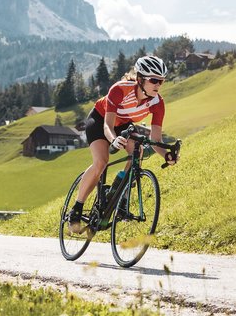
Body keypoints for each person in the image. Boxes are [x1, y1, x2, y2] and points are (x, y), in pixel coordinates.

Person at [67, 55, 179, 232]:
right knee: (101, 162)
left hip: (124, 124)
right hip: (100, 120)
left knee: (138, 150)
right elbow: (107, 126)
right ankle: (77, 207)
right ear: (141, 78)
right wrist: (113, 139)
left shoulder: (158, 103)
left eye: (161, 81)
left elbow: (156, 139)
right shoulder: (120, 90)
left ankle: (119, 191)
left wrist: (167, 155)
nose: (158, 85)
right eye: (154, 80)